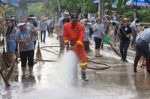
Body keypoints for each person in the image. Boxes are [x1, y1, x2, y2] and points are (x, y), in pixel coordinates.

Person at [63, 14, 88, 81]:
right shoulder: (66, 26)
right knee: (72, 60)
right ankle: (73, 76)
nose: (74, 22)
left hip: (79, 45)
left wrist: (76, 46)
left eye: (75, 21)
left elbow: (81, 36)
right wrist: (67, 42)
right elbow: (65, 35)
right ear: (71, 20)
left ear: (77, 21)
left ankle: (83, 75)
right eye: (73, 21)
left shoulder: (81, 26)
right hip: (70, 44)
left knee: (83, 59)